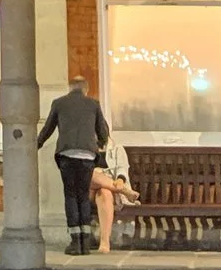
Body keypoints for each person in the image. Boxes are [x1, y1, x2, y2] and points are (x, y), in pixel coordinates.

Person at [36, 75, 110, 254]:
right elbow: (103, 131)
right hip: (87, 155)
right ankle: (86, 242)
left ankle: (75, 241)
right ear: (86, 89)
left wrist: (36, 144)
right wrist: (98, 144)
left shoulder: (59, 103)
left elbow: (48, 128)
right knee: (83, 195)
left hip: (67, 155)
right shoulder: (93, 104)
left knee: (70, 195)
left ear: (70, 88)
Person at [90, 139, 142, 252]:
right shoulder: (85, 148)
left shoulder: (116, 148)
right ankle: (125, 191)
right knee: (90, 174)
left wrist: (120, 180)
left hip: (112, 190)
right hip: (89, 191)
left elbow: (122, 169)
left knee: (104, 192)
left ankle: (104, 242)